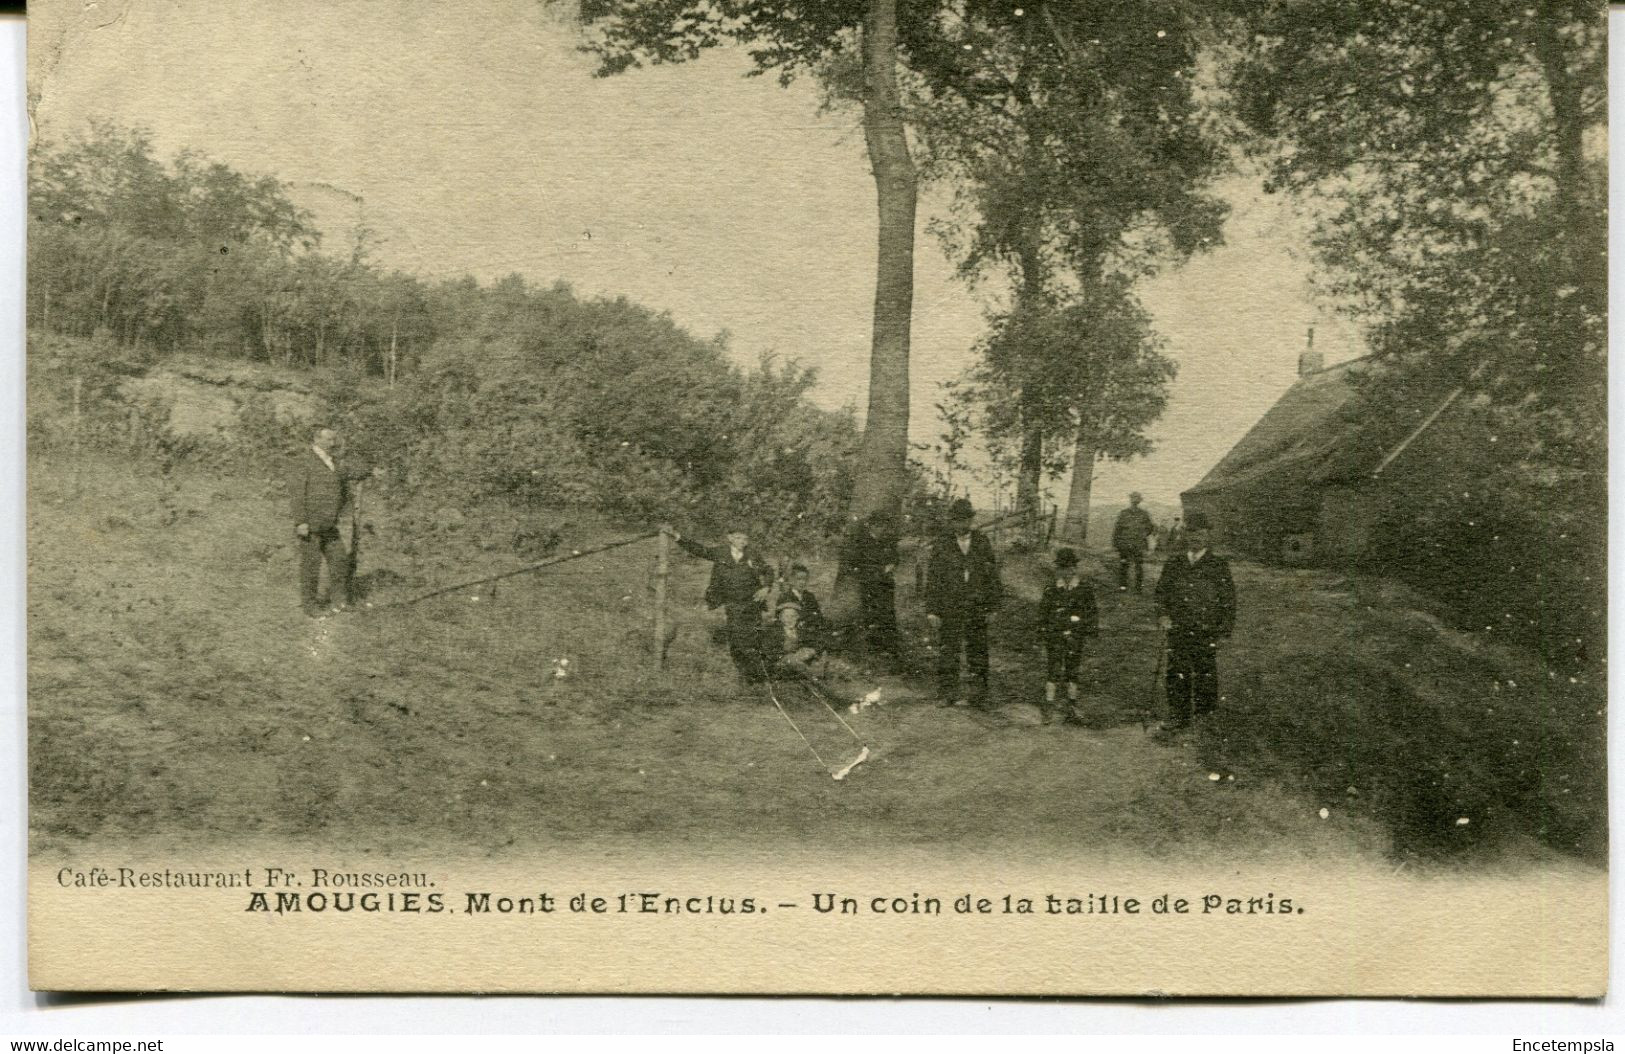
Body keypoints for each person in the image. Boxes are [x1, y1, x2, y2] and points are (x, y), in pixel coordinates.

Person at [1152, 511, 1236, 731]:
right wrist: (1163, 615)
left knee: (1205, 672)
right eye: (1191, 533)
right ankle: (1178, 716)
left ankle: (1204, 718)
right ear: (1185, 535)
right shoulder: (1175, 563)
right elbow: (1161, 593)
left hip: (1205, 629)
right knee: (1177, 671)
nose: (1195, 537)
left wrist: (1224, 630)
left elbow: (1228, 600)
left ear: (1208, 535)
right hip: (1178, 627)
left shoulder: (1218, 565)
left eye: (1200, 533)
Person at [664, 521, 773, 685]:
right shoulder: (721, 552)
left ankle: (757, 676)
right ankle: (744, 674)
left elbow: (768, 570)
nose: (742, 542)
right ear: (730, 538)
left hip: (752, 604)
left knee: (753, 639)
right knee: (736, 639)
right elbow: (700, 550)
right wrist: (678, 537)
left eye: (745, 539)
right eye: (738, 538)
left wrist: (766, 587)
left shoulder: (752, 554)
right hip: (732, 604)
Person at [290, 425, 375, 617]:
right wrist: (300, 522)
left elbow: (353, 472)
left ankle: (340, 602)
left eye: (334, 439)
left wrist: (368, 466)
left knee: (339, 562)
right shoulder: (304, 462)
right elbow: (297, 494)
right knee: (311, 566)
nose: (333, 442)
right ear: (316, 439)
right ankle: (310, 607)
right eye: (329, 439)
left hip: (329, 524)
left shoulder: (333, 462)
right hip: (311, 524)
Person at [924, 498, 1001, 708]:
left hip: (977, 606)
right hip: (950, 605)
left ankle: (978, 695)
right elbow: (933, 579)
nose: (961, 525)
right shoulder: (942, 544)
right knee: (949, 649)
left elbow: (992, 576)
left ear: (971, 520)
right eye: (957, 521)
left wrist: (993, 606)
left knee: (978, 650)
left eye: (965, 520)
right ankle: (947, 693)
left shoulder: (982, 542)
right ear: (952, 522)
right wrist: (932, 610)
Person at [1039, 547, 1098, 725]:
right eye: (1061, 568)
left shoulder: (1084, 589)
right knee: (1053, 667)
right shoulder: (1051, 589)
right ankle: (1049, 704)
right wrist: (1043, 629)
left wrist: (1086, 629)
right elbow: (1044, 612)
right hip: (1055, 635)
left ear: (1074, 569)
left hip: (1075, 635)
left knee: (1072, 669)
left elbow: (1091, 612)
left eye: (1067, 568)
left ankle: (1072, 705)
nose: (1064, 572)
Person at [840, 510, 902, 667]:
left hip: (886, 586)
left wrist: (891, 566)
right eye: (878, 526)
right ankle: (872, 651)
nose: (881, 529)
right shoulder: (862, 543)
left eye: (883, 526)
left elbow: (895, 558)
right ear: (872, 526)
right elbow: (855, 565)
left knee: (887, 615)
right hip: (868, 586)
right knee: (870, 616)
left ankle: (889, 650)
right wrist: (877, 571)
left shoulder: (887, 542)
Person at [760, 597, 824, 674]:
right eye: (786, 616)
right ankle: (814, 675)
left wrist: (810, 651)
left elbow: (816, 642)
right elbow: (768, 653)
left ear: (797, 617)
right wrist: (789, 656)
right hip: (780, 663)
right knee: (795, 662)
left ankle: (814, 674)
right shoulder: (774, 632)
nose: (790, 619)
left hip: (798, 661)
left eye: (793, 616)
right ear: (780, 618)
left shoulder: (800, 630)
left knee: (816, 660)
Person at [1111, 491, 1155, 593]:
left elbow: (1150, 527)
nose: (1135, 500)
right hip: (1125, 544)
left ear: (1139, 501)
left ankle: (1138, 588)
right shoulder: (1124, 513)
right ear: (1130, 500)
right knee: (1124, 565)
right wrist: (1116, 543)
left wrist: (1143, 535)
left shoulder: (1144, 514)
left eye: (1137, 498)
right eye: (1133, 498)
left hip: (1138, 544)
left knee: (1138, 566)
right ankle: (1123, 587)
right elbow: (1117, 529)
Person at [781, 563, 826, 640]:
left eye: (805, 579)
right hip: (794, 635)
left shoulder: (810, 596)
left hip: (811, 632)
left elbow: (819, 616)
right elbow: (782, 620)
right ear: (792, 580)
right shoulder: (785, 597)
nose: (802, 582)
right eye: (799, 579)